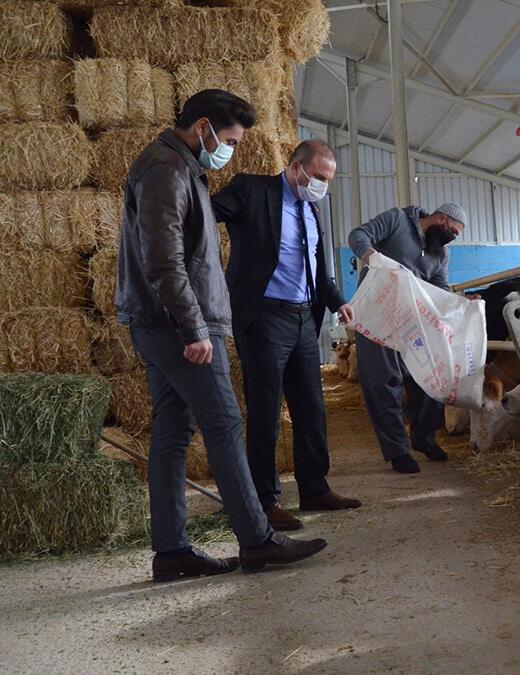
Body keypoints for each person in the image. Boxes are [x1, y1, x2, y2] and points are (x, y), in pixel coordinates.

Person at [115, 88, 327, 581]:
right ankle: (257, 539)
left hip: (163, 321)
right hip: (177, 324)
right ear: (204, 126)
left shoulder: (182, 168)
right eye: (229, 138)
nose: (229, 148)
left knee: (172, 432)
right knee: (226, 424)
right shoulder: (166, 169)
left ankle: (171, 552)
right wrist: (194, 326)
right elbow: (163, 258)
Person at [211, 140, 362, 532]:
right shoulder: (252, 190)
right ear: (296, 167)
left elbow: (318, 268)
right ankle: (263, 501)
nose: (323, 186)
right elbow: (209, 211)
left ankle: (315, 487)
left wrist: (337, 301)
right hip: (264, 317)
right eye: (319, 177)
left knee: (311, 405)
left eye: (328, 180)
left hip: (302, 319)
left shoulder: (312, 210)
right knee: (265, 411)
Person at [347, 203, 466, 474]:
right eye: (453, 231)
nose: (452, 238)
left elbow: (439, 287)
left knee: (431, 377)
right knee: (384, 383)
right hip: (376, 316)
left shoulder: (440, 253)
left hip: (411, 322)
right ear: (442, 218)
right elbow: (358, 234)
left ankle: (423, 437)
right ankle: (397, 451)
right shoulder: (397, 220)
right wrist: (371, 256)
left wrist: (459, 304)